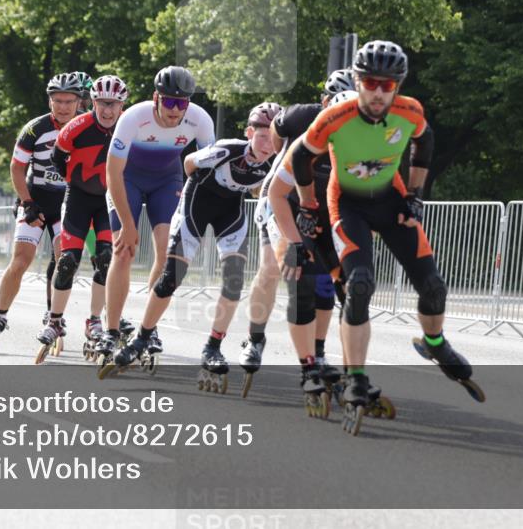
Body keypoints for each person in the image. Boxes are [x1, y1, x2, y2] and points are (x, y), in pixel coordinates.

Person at [289, 40, 482, 435]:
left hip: (391, 200)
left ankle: (434, 343)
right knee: (359, 284)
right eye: (371, 83)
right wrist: (308, 207)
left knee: (433, 286)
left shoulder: (410, 112)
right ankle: (356, 377)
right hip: (348, 204)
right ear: (358, 81)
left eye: (388, 85)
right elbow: (300, 157)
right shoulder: (334, 117)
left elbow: (425, 142)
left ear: (398, 86)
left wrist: (415, 194)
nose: (378, 92)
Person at [107, 103, 279, 389]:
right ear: (249, 133)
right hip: (196, 205)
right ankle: (141, 338)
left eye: (273, 139)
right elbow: (189, 164)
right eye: (262, 137)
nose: (268, 145)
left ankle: (213, 347)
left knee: (234, 280)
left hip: (230, 213)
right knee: (171, 277)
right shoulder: (227, 149)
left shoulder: (276, 162)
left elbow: (263, 188)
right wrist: (200, 180)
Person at [240, 71, 355, 398]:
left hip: (320, 206)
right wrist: (283, 159)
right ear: (324, 103)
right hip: (283, 197)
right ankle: (255, 339)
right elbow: (278, 140)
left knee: (326, 282)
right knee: (274, 268)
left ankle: (317, 354)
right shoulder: (301, 117)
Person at [96, 66, 215, 370]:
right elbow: (113, 173)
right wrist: (127, 224)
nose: (175, 110)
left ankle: (148, 327)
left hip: (167, 180)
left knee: (166, 252)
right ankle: (111, 330)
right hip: (128, 179)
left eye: (181, 103)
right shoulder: (133, 118)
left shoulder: (200, 119)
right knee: (123, 251)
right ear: (156, 98)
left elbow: (208, 172)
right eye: (169, 102)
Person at [0, 72, 84, 355]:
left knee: (65, 260)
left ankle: (54, 317)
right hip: (36, 198)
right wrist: (27, 202)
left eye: (69, 101)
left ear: (79, 102)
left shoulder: (87, 127)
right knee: (21, 260)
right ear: (50, 102)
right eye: (58, 101)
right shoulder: (35, 129)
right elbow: (16, 167)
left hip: (68, 201)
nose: (63, 107)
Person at [34, 76, 129, 363]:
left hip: (108, 200)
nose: (107, 110)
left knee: (105, 259)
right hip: (78, 197)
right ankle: (55, 320)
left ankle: (94, 320)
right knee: (67, 261)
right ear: (93, 103)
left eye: (113, 104)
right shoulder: (77, 126)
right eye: (102, 103)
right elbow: (57, 158)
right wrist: (73, 181)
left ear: (122, 106)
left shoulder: (129, 128)